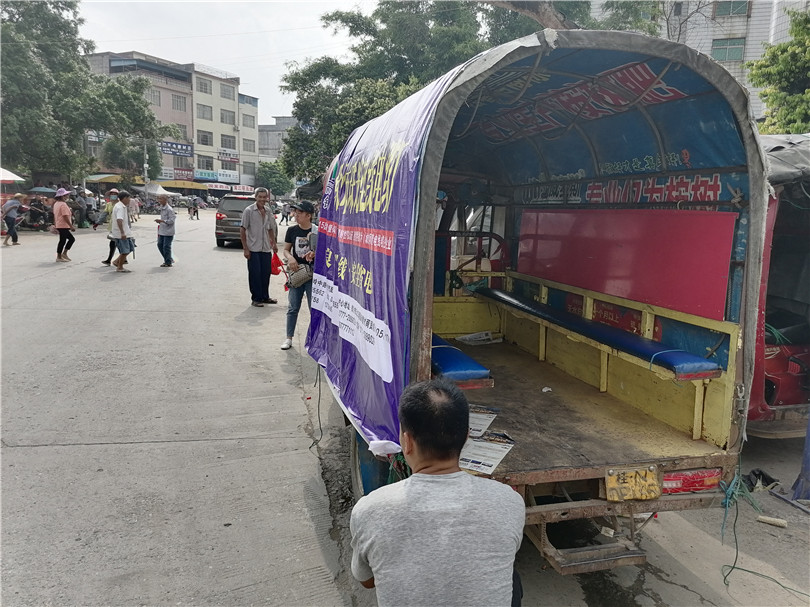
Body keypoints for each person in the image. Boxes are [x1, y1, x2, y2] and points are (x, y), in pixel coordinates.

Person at [350, 379, 526, 607]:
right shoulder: (509, 501)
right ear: (466, 437)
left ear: (407, 442)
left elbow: (366, 580)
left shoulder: (369, 510)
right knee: (512, 578)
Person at [280, 200, 316, 350]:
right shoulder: (292, 230)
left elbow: (325, 251)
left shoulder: (317, 231)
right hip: (297, 273)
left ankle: (314, 340)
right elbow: (286, 250)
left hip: (312, 275)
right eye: (296, 212)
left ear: (308, 215)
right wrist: (291, 258)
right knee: (293, 307)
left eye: (300, 212)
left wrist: (315, 253)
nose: (296, 215)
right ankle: (289, 338)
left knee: (314, 309)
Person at [240, 187, 278, 307]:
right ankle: (256, 298)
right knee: (255, 274)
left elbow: (270, 228)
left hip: (266, 248)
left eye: (264, 197)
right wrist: (245, 248)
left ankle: (265, 296)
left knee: (266, 274)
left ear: (267, 198)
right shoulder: (249, 211)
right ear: (255, 197)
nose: (262, 199)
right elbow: (243, 229)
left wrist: (274, 243)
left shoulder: (268, 211)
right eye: (260, 197)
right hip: (253, 249)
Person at [110, 190, 134, 273]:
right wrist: (122, 233)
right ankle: (119, 267)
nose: (129, 200)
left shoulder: (121, 206)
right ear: (125, 198)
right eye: (129, 198)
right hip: (121, 233)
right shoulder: (119, 207)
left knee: (130, 248)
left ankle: (117, 261)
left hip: (126, 232)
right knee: (125, 250)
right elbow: (119, 220)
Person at [52, 188, 76, 262]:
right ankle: (60, 256)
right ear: (62, 196)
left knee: (67, 239)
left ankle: (63, 254)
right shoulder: (63, 204)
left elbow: (55, 215)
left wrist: (55, 224)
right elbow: (65, 216)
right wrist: (71, 226)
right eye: (66, 195)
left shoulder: (56, 204)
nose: (67, 196)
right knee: (64, 240)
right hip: (63, 225)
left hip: (59, 224)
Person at [154, 194, 176, 267]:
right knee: (160, 245)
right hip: (162, 230)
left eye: (161, 199)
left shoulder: (169, 209)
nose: (159, 201)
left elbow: (172, 220)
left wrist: (162, 221)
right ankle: (168, 259)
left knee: (166, 246)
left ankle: (168, 262)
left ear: (165, 200)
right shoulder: (162, 208)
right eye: (159, 199)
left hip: (168, 231)